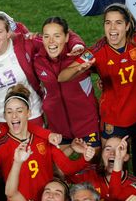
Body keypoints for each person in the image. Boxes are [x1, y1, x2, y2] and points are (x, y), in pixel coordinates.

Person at [59, 4, 136, 165]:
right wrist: (78, 68)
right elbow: (62, 77)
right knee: (109, 166)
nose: (112, 28)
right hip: (114, 117)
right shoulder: (96, 52)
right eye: (108, 22)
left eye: (118, 22)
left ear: (127, 25)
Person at [31, 17, 97, 154]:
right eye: (46, 36)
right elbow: (21, 36)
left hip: (87, 125)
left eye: (57, 36)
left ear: (67, 37)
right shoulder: (38, 59)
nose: (51, 41)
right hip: (58, 128)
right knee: (57, 172)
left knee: (94, 169)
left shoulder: (81, 55)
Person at [0, 14, 45, 127]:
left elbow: (55, 39)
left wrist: (77, 47)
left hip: (30, 113)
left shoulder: (24, 44)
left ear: (9, 33)